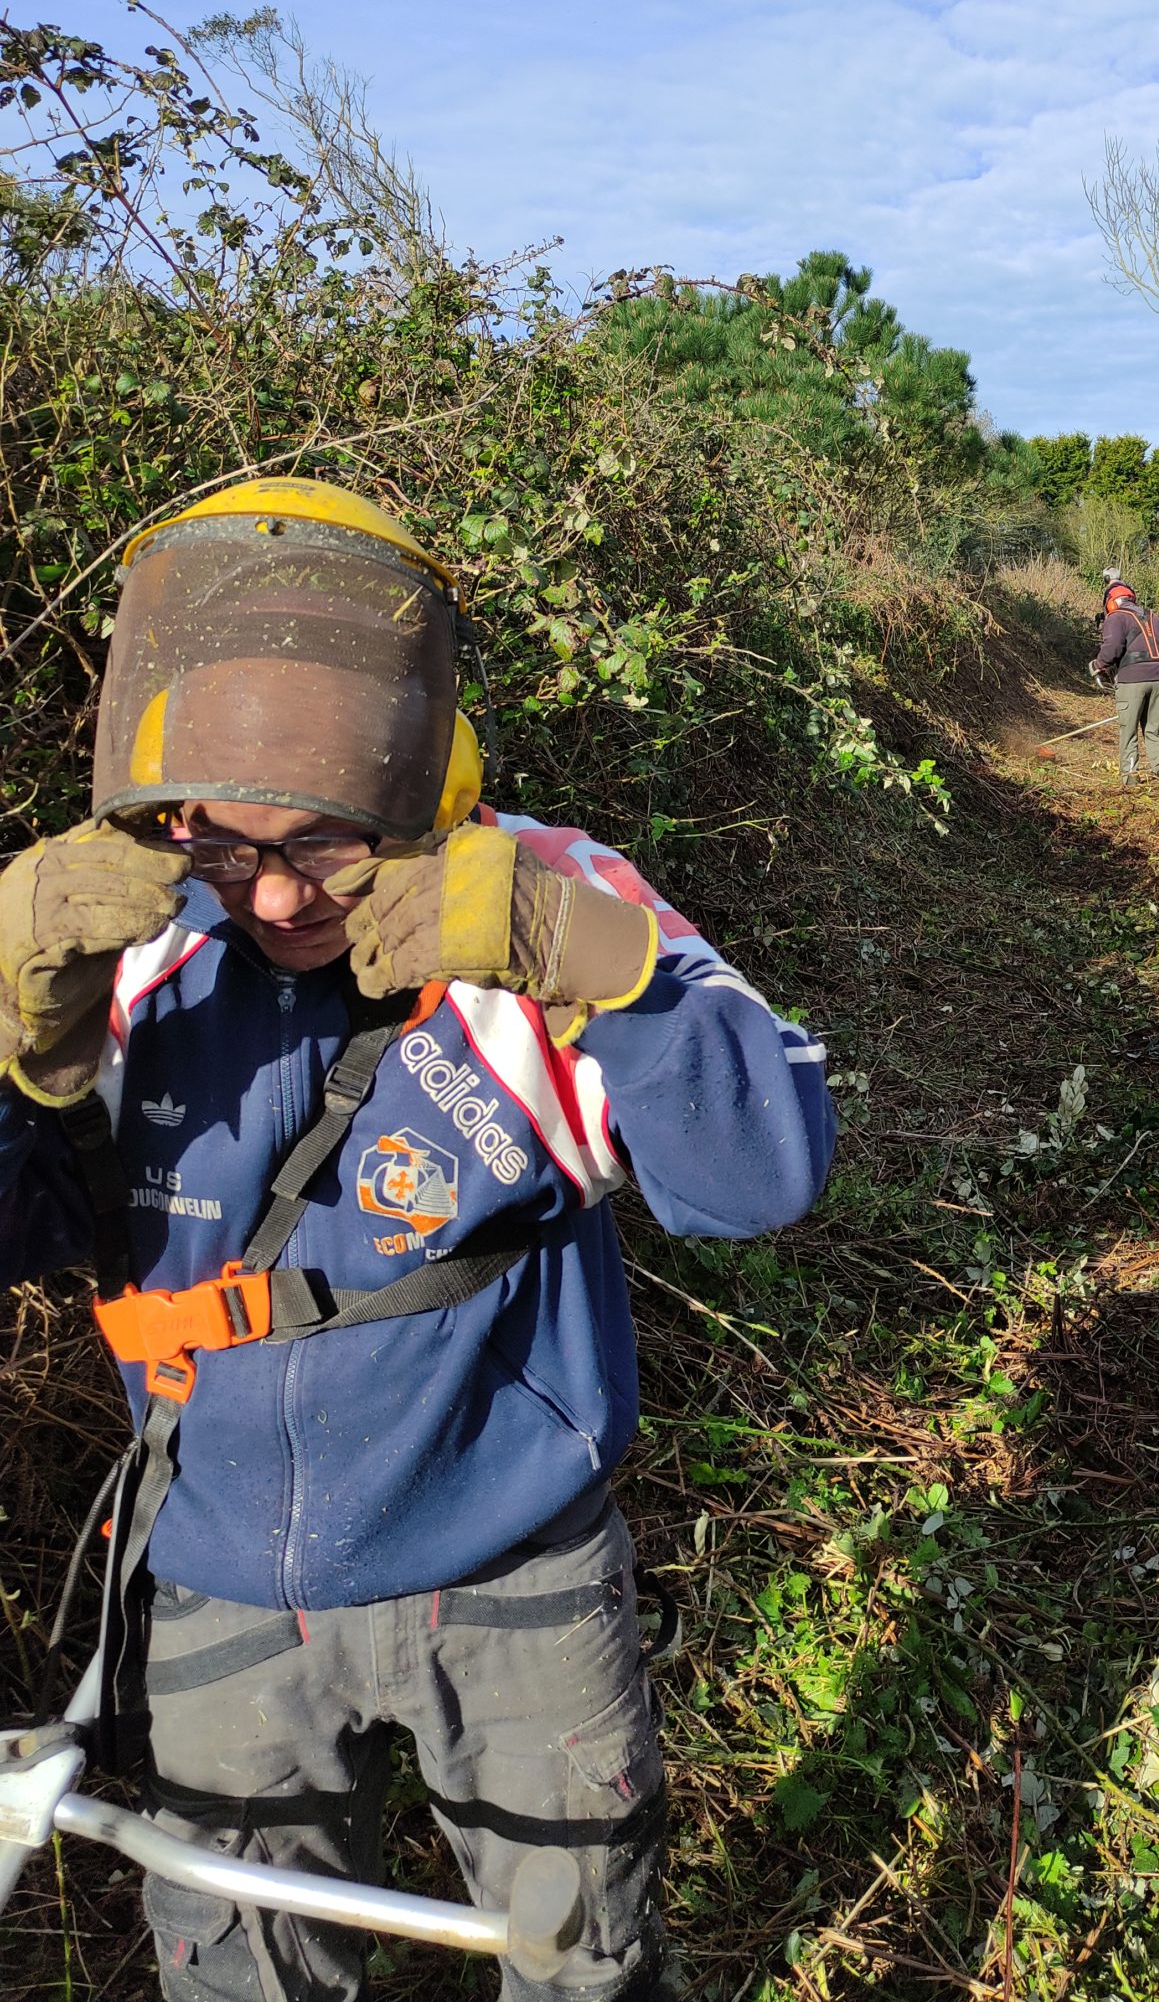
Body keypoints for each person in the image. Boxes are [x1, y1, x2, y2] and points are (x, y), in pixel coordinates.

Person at [0, 477, 835, 2002]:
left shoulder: (534, 896)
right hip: (219, 1576)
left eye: (322, 845)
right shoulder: (141, 938)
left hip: (510, 1564)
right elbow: (24, 1225)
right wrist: (13, 1025)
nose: (270, 894)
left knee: (579, 1962)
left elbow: (761, 1176)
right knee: (245, 1972)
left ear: (415, 772)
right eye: (223, 843)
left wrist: (597, 966)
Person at [1091, 577, 1159, 785]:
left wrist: (1097, 665)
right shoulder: (1152, 616)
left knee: (1128, 731)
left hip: (1132, 681)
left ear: (1111, 601)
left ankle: (1130, 778)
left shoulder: (1116, 617)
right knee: (1153, 728)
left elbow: (1112, 649)